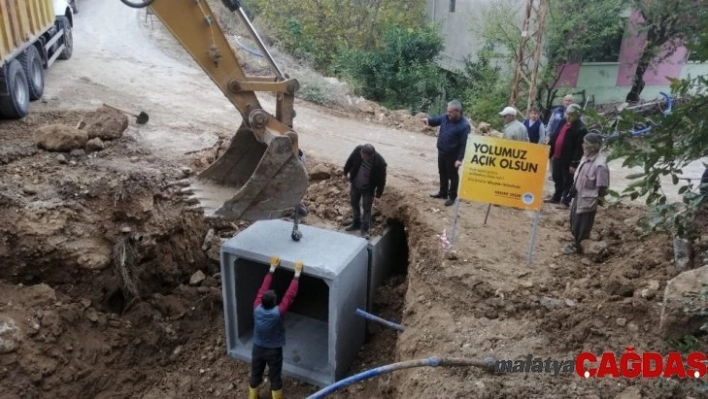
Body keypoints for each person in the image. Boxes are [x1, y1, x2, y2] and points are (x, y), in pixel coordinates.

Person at [249, 257, 303, 399]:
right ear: (274, 302)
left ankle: (253, 396)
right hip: (273, 350)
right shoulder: (277, 313)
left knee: (255, 373)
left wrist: (271, 269)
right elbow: (289, 296)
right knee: (275, 376)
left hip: (258, 348)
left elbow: (262, 289)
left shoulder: (256, 307)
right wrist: (297, 274)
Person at [563, 133, 609, 255]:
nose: (583, 145)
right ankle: (576, 242)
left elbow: (602, 187)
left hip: (588, 198)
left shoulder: (600, 165)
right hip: (579, 194)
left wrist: (596, 199)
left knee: (582, 223)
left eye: (586, 143)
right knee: (574, 220)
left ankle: (579, 246)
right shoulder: (586, 158)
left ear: (593, 147)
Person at [421, 100, 471, 207]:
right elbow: (435, 121)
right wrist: (428, 121)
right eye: (448, 111)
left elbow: (464, 144)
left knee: (453, 176)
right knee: (442, 172)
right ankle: (443, 192)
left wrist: (459, 159)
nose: (448, 114)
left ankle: (452, 196)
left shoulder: (464, 126)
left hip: (453, 156)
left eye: (450, 112)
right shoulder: (445, 117)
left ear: (457, 111)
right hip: (442, 151)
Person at [545, 104, 588, 208]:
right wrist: (548, 151)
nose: (568, 116)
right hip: (557, 156)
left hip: (568, 159)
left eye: (571, 115)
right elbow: (555, 137)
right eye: (567, 114)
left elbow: (579, 148)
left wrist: (574, 163)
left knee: (567, 180)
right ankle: (556, 197)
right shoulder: (562, 122)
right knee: (556, 177)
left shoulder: (580, 128)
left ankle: (565, 201)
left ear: (577, 115)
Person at [343, 143, 387, 239]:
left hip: (368, 188)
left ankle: (364, 230)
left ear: (371, 156)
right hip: (355, 183)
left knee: (366, 209)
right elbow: (349, 161)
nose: (361, 157)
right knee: (354, 203)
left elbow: (381, 181)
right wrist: (345, 173)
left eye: (364, 156)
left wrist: (378, 196)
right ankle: (356, 223)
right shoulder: (358, 150)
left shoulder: (380, 163)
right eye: (361, 154)